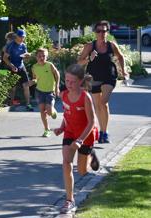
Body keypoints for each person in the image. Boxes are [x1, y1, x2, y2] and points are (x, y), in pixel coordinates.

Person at [53, 64, 100, 214]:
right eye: (67, 81)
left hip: (85, 136)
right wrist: (61, 128)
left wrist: (80, 140)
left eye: (73, 82)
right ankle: (69, 200)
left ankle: (91, 154)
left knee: (82, 171)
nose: (69, 84)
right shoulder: (64, 95)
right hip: (69, 133)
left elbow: (92, 122)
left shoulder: (85, 97)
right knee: (66, 163)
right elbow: (67, 113)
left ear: (80, 81)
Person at [78, 20, 128, 143]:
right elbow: (79, 62)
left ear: (107, 32)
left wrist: (124, 70)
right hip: (93, 77)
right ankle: (102, 131)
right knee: (98, 105)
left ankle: (104, 132)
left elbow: (120, 57)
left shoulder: (111, 45)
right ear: (95, 32)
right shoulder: (90, 46)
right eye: (99, 31)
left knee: (103, 102)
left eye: (104, 31)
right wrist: (90, 58)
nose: (101, 33)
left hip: (109, 76)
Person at [31, 48, 60, 137]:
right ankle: (47, 130)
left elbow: (57, 74)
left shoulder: (49, 65)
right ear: (36, 57)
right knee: (42, 111)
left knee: (49, 111)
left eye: (44, 56)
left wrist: (57, 87)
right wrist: (32, 81)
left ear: (46, 57)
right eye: (39, 56)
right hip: (39, 91)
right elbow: (35, 78)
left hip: (50, 91)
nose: (41, 58)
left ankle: (52, 112)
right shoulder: (34, 67)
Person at [3, 29, 33, 110]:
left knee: (26, 85)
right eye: (21, 37)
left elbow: (25, 58)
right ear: (17, 36)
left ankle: (28, 104)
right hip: (12, 67)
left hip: (21, 66)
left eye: (23, 37)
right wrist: (12, 66)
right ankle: (11, 103)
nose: (22, 38)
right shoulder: (11, 45)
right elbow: (5, 58)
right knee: (13, 88)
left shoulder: (23, 45)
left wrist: (27, 56)